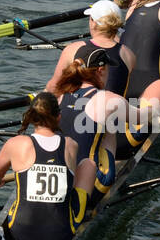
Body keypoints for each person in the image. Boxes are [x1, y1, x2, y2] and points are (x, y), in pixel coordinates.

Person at [0, 92, 94, 240]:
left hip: (21, 233)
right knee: (89, 164)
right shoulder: (71, 145)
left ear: (31, 117)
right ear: (58, 117)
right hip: (61, 235)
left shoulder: (15, 143)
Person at [52, 45, 135, 197]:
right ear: (101, 70)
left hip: (58, 180)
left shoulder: (59, 95)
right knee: (109, 123)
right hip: (92, 183)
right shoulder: (109, 98)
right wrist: (155, 110)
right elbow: (140, 118)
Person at [45, 0, 130, 96]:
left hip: (78, 109)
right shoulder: (128, 54)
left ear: (93, 23)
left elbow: (53, 87)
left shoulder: (72, 49)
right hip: (114, 107)